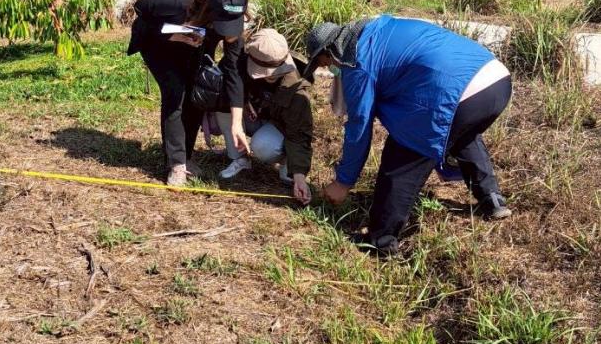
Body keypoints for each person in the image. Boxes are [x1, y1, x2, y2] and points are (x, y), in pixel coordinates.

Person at [305, 16, 513, 255]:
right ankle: (492, 199)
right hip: (495, 80)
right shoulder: (378, 27)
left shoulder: (354, 63)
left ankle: (380, 241)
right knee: (460, 132)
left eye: (323, 63)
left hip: (454, 87)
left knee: (402, 158)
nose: (327, 69)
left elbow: (359, 126)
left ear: (330, 51)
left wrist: (343, 182)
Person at [128, 0, 251, 186]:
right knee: (175, 92)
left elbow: (233, 72)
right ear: (210, 8)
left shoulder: (233, 24)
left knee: (198, 94)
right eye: (222, 23)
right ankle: (176, 164)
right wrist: (173, 34)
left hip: (195, 45)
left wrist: (236, 123)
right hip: (160, 44)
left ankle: (186, 156)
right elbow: (141, 8)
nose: (226, 29)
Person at [216, 28, 315, 205]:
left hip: (280, 128)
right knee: (223, 109)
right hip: (256, 117)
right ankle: (239, 159)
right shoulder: (239, 65)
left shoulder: (296, 88)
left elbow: (299, 135)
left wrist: (299, 175)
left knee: (263, 146)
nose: (271, 75)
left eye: (276, 69)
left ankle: (287, 162)